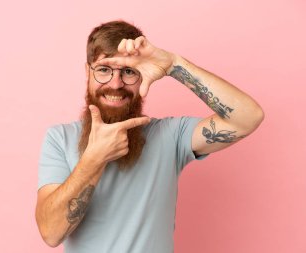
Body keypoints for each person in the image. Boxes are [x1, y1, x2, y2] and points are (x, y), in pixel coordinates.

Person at [35, 20, 264, 252]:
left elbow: (248, 118)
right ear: (88, 72)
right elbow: (51, 234)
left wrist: (174, 65)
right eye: (104, 69)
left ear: (143, 75)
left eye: (129, 71)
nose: (116, 83)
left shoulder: (171, 136)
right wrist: (94, 158)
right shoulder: (60, 138)